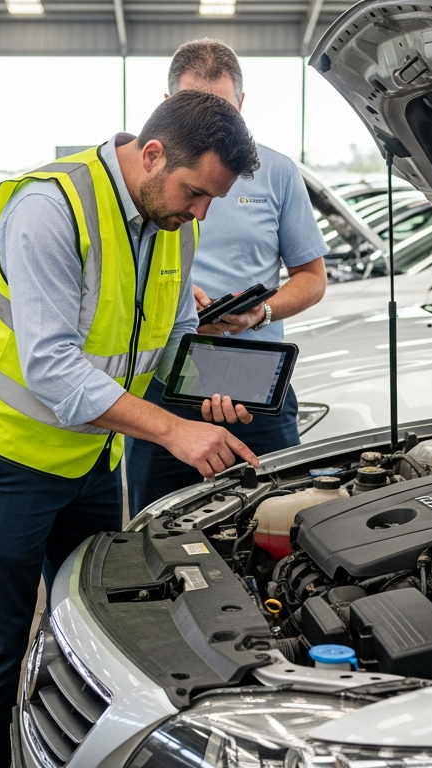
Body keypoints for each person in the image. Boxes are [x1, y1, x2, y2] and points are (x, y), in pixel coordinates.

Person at [0, 89, 261, 768]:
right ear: (151, 155)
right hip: (7, 453)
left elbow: (171, 336)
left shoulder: (176, 220)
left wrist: (208, 395)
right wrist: (172, 433)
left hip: (93, 452)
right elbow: (52, 368)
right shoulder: (49, 208)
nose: (200, 211)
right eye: (195, 192)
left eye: (210, 200)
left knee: (92, 634)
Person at [126, 39, 330, 514]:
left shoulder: (277, 173)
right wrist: (174, 296)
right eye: (188, 105)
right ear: (165, 107)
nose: (207, 122)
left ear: (241, 105)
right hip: (162, 384)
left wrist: (261, 312)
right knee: (153, 530)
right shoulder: (145, 175)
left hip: (256, 384)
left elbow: (312, 277)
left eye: (219, 108)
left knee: (277, 523)